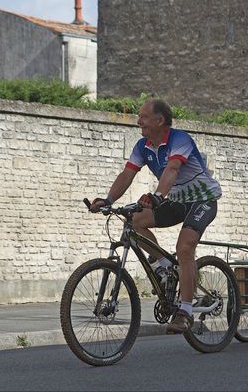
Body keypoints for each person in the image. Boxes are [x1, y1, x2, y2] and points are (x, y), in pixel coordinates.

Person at [89, 99, 222, 334]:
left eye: (144, 117)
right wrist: (108, 200)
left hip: (202, 199)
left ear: (160, 121)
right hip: (177, 201)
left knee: (184, 247)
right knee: (135, 221)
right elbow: (127, 173)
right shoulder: (143, 146)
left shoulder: (179, 139)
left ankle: (186, 311)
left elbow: (172, 169)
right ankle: (163, 268)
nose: (139, 122)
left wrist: (158, 195)